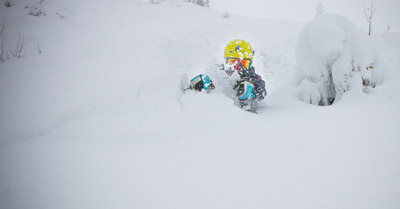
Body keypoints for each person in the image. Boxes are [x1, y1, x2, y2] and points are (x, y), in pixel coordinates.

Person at [221, 39, 267, 108]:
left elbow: (261, 91)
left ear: (249, 64)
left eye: (243, 63)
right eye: (233, 62)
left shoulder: (252, 77)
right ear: (226, 61)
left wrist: (252, 90)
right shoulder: (220, 73)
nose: (238, 67)